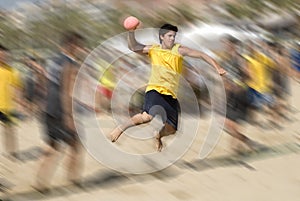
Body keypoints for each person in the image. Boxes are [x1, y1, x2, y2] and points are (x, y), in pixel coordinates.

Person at [110, 23, 226, 151]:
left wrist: (218, 67)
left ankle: (158, 135)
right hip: (155, 89)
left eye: (174, 36)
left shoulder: (179, 50)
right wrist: (131, 32)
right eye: (169, 36)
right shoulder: (154, 49)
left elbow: (202, 55)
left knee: (172, 129)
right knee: (146, 117)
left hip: (171, 95)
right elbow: (133, 47)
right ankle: (121, 128)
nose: (172, 38)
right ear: (161, 37)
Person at [34, 31, 86, 192]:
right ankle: (73, 180)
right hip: (60, 110)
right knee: (76, 145)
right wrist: (69, 116)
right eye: (80, 47)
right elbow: (67, 91)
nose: (81, 50)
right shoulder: (70, 64)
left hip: (48, 108)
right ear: (72, 45)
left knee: (52, 147)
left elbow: (44, 82)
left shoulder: (53, 60)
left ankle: (40, 182)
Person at [0, 44, 22, 160]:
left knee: (10, 130)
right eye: (1, 55)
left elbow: (18, 88)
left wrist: (19, 104)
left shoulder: (13, 71)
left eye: (4, 55)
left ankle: (12, 152)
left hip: (8, 106)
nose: (3, 57)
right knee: (6, 130)